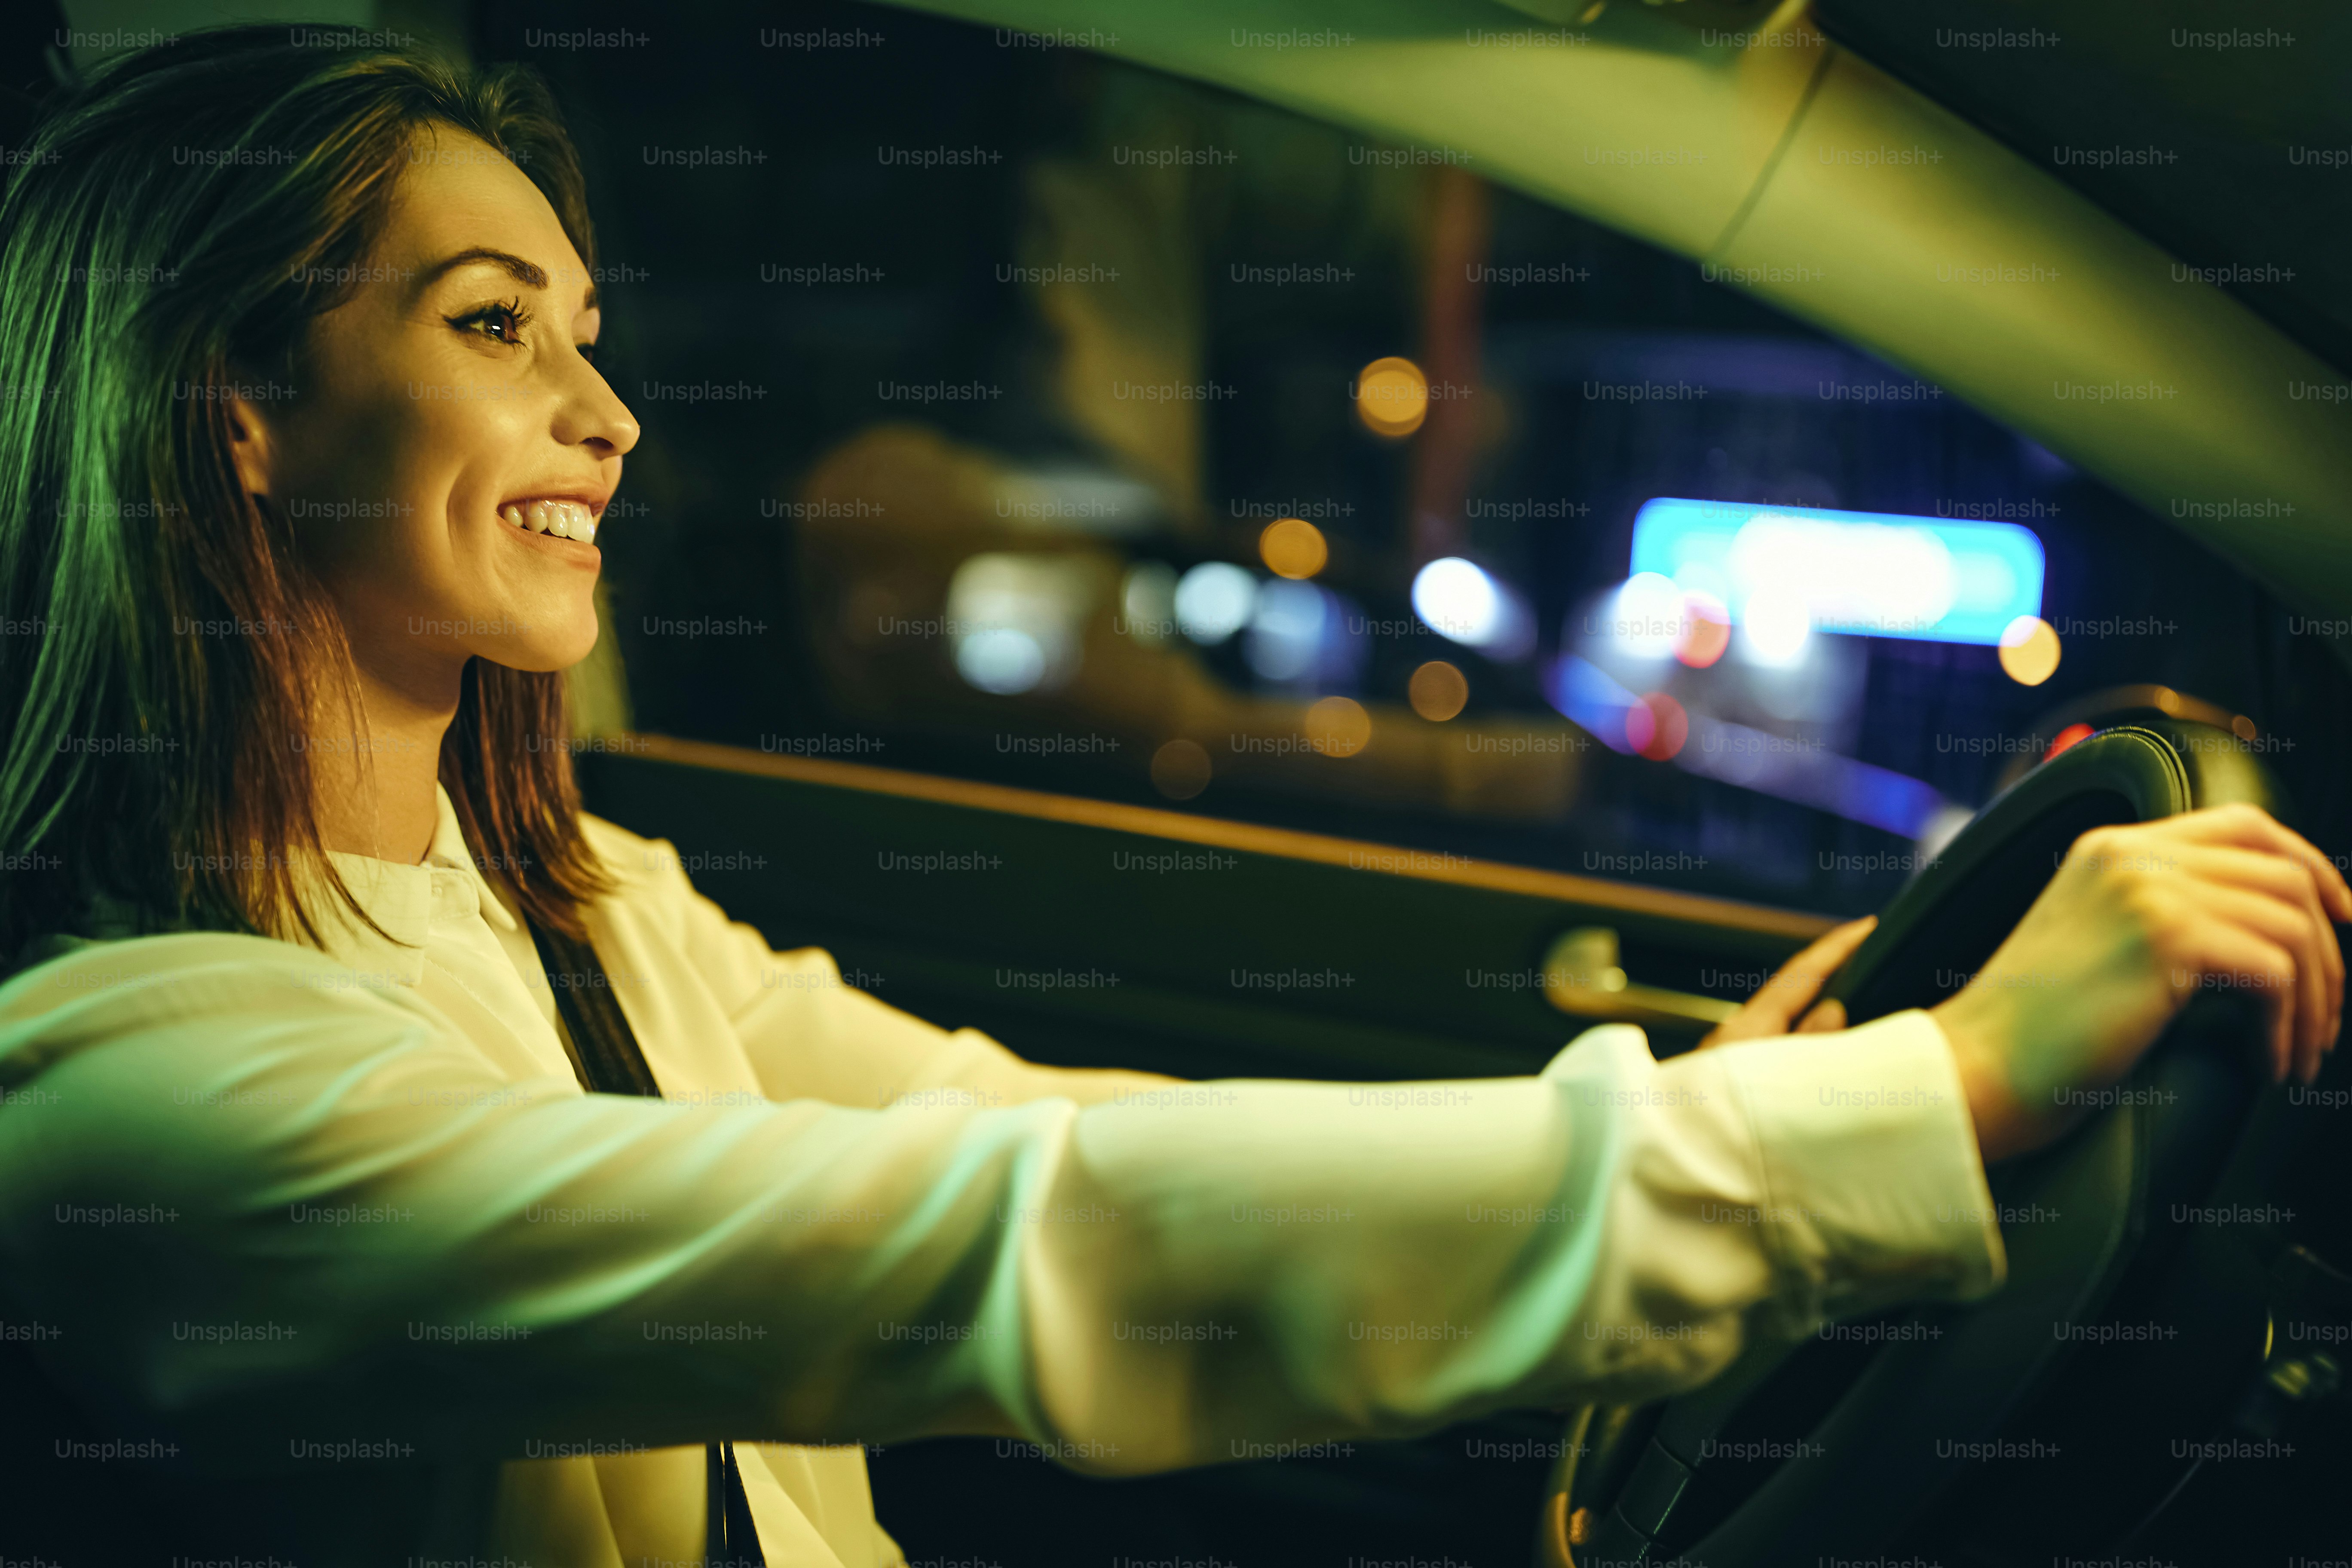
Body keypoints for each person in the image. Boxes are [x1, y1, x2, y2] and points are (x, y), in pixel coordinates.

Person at [0, 29, 2342, 1568]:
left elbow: (1018, 1115)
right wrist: (1925, 1104)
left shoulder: (567, 892)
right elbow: (1020, 1242)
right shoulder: (145, 1108)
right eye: (494, 324)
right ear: (244, 414)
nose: (609, 413)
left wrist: (1720, 1096)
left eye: (591, 330)